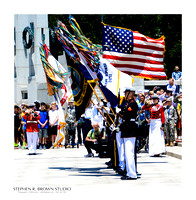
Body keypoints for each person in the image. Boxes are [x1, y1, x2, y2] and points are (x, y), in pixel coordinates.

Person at [118, 87, 138, 180]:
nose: (125, 94)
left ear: (130, 93)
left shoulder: (132, 104)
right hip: (127, 129)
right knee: (127, 153)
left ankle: (132, 174)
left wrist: (121, 113)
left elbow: (127, 115)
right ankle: (129, 172)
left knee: (129, 153)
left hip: (130, 129)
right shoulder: (128, 103)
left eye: (126, 92)